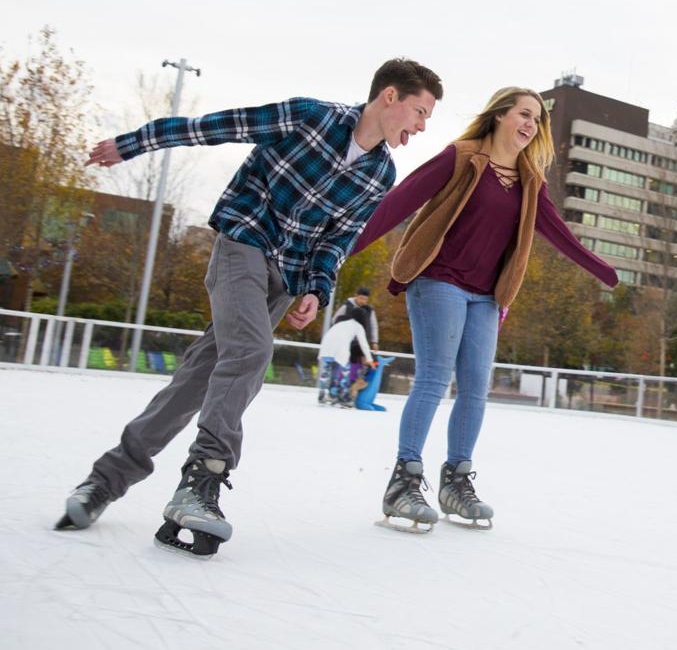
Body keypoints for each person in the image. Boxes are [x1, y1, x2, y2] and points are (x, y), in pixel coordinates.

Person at [54, 58, 442, 557]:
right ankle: (203, 480)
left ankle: (102, 481)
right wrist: (134, 143)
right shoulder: (309, 117)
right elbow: (217, 126)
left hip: (283, 278)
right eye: (420, 111)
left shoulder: (379, 173)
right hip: (242, 242)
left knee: (197, 380)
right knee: (252, 351)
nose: (422, 126)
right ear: (389, 96)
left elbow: (336, 240)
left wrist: (315, 290)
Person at [351, 86, 618, 533]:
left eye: (537, 119)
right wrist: (343, 248)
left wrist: (603, 270)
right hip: (439, 280)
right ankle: (404, 480)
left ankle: (456, 481)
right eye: (524, 114)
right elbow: (400, 201)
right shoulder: (462, 156)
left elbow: (558, 233)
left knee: (476, 387)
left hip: (487, 296)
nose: (531, 124)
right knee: (436, 378)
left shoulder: (531, 180)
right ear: (498, 116)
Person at [317, 306, 375, 407]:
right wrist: (370, 359)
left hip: (326, 347)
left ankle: (323, 395)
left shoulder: (341, 323)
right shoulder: (357, 326)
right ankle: (343, 397)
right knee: (345, 373)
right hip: (340, 349)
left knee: (326, 372)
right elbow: (364, 344)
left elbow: (330, 335)